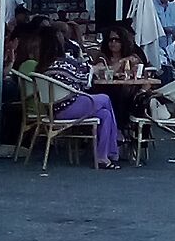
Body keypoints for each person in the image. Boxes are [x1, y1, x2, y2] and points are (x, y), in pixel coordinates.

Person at [35, 23, 120, 167]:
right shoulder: (62, 64)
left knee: (105, 114)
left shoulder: (44, 65)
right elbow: (83, 79)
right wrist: (94, 69)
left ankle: (103, 156)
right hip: (66, 108)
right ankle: (113, 149)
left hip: (54, 109)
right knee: (105, 98)